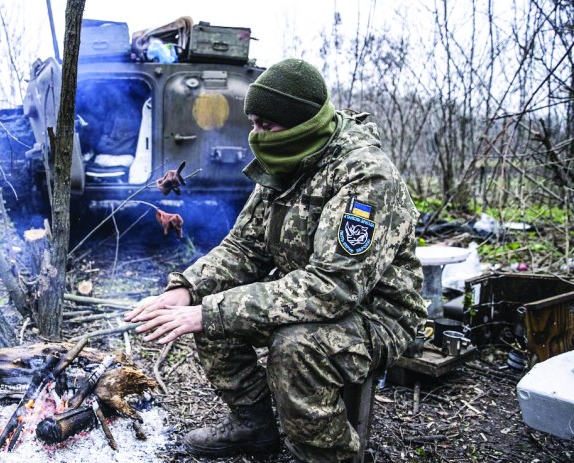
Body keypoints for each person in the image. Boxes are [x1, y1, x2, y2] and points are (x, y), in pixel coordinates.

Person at [124, 58, 426, 462]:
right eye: (252, 123)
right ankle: (254, 428)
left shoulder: (366, 177)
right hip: (308, 296)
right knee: (210, 309)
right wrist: (187, 288)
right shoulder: (286, 159)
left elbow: (333, 288)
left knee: (294, 345)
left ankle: (330, 455)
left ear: (301, 122)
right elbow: (244, 248)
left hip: (376, 313)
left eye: (267, 125)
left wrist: (209, 311)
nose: (256, 135)